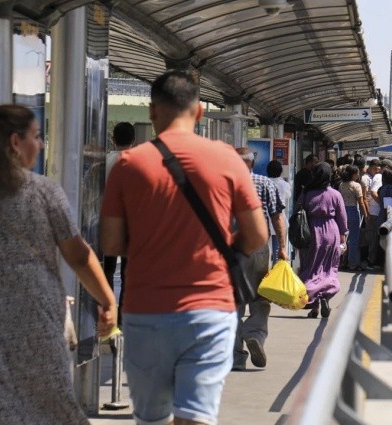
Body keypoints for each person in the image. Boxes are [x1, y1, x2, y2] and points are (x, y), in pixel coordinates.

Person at [100, 70, 268, 425]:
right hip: (210, 310)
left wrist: (153, 245)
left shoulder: (128, 165)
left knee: (152, 418)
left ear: (151, 112)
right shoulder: (226, 159)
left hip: (146, 311)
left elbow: (111, 243)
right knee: (195, 418)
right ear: (200, 113)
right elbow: (257, 235)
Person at [0, 104, 117, 423]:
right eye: (36, 136)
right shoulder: (43, 192)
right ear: (15, 143)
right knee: (49, 408)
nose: (41, 144)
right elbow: (78, 255)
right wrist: (107, 299)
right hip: (35, 324)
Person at [234, 148, 287, 371]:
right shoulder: (266, 184)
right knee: (260, 296)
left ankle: (236, 357)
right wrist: (282, 248)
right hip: (259, 246)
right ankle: (254, 332)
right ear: (252, 164)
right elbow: (277, 218)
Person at [297, 162, 348, 318]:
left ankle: (313, 304)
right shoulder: (335, 194)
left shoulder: (306, 193)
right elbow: (342, 218)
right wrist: (343, 239)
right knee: (328, 268)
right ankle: (326, 295)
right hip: (331, 232)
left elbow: (297, 211)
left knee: (311, 267)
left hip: (310, 233)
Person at [103, 121, 135, 325]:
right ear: (133, 141)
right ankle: (122, 316)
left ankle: (105, 310)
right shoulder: (138, 162)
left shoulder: (104, 162)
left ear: (113, 139)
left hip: (106, 224)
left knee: (106, 268)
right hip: (131, 226)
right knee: (126, 272)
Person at [338, 165, 369, 270]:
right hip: (353, 212)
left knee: (343, 238)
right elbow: (361, 202)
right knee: (354, 238)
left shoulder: (341, 185)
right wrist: (365, 215)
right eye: (357, 173)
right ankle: (352, 263)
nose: (358, 175)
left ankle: (342, 261)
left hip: (342, 212)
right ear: (353, 174)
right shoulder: (356, 185)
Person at [266, 159, 292, 263]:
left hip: (266, 220)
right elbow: (288, 196)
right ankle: (275, 270)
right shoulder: (284, 184)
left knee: (267, 249)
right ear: (280, 171)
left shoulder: (265, 182)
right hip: (280, 219)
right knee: (278, 249)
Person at [361, 158, 382, 267]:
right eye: (375, 169)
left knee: (373, 236)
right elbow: (364, 197)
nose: (376, 171)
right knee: (370, 237)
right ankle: (368, 259)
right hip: (370, 211)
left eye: (378, 169)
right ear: (370, 168)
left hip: (372, 210)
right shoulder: (365, 178)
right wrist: (367, 213)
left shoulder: (373, 178)